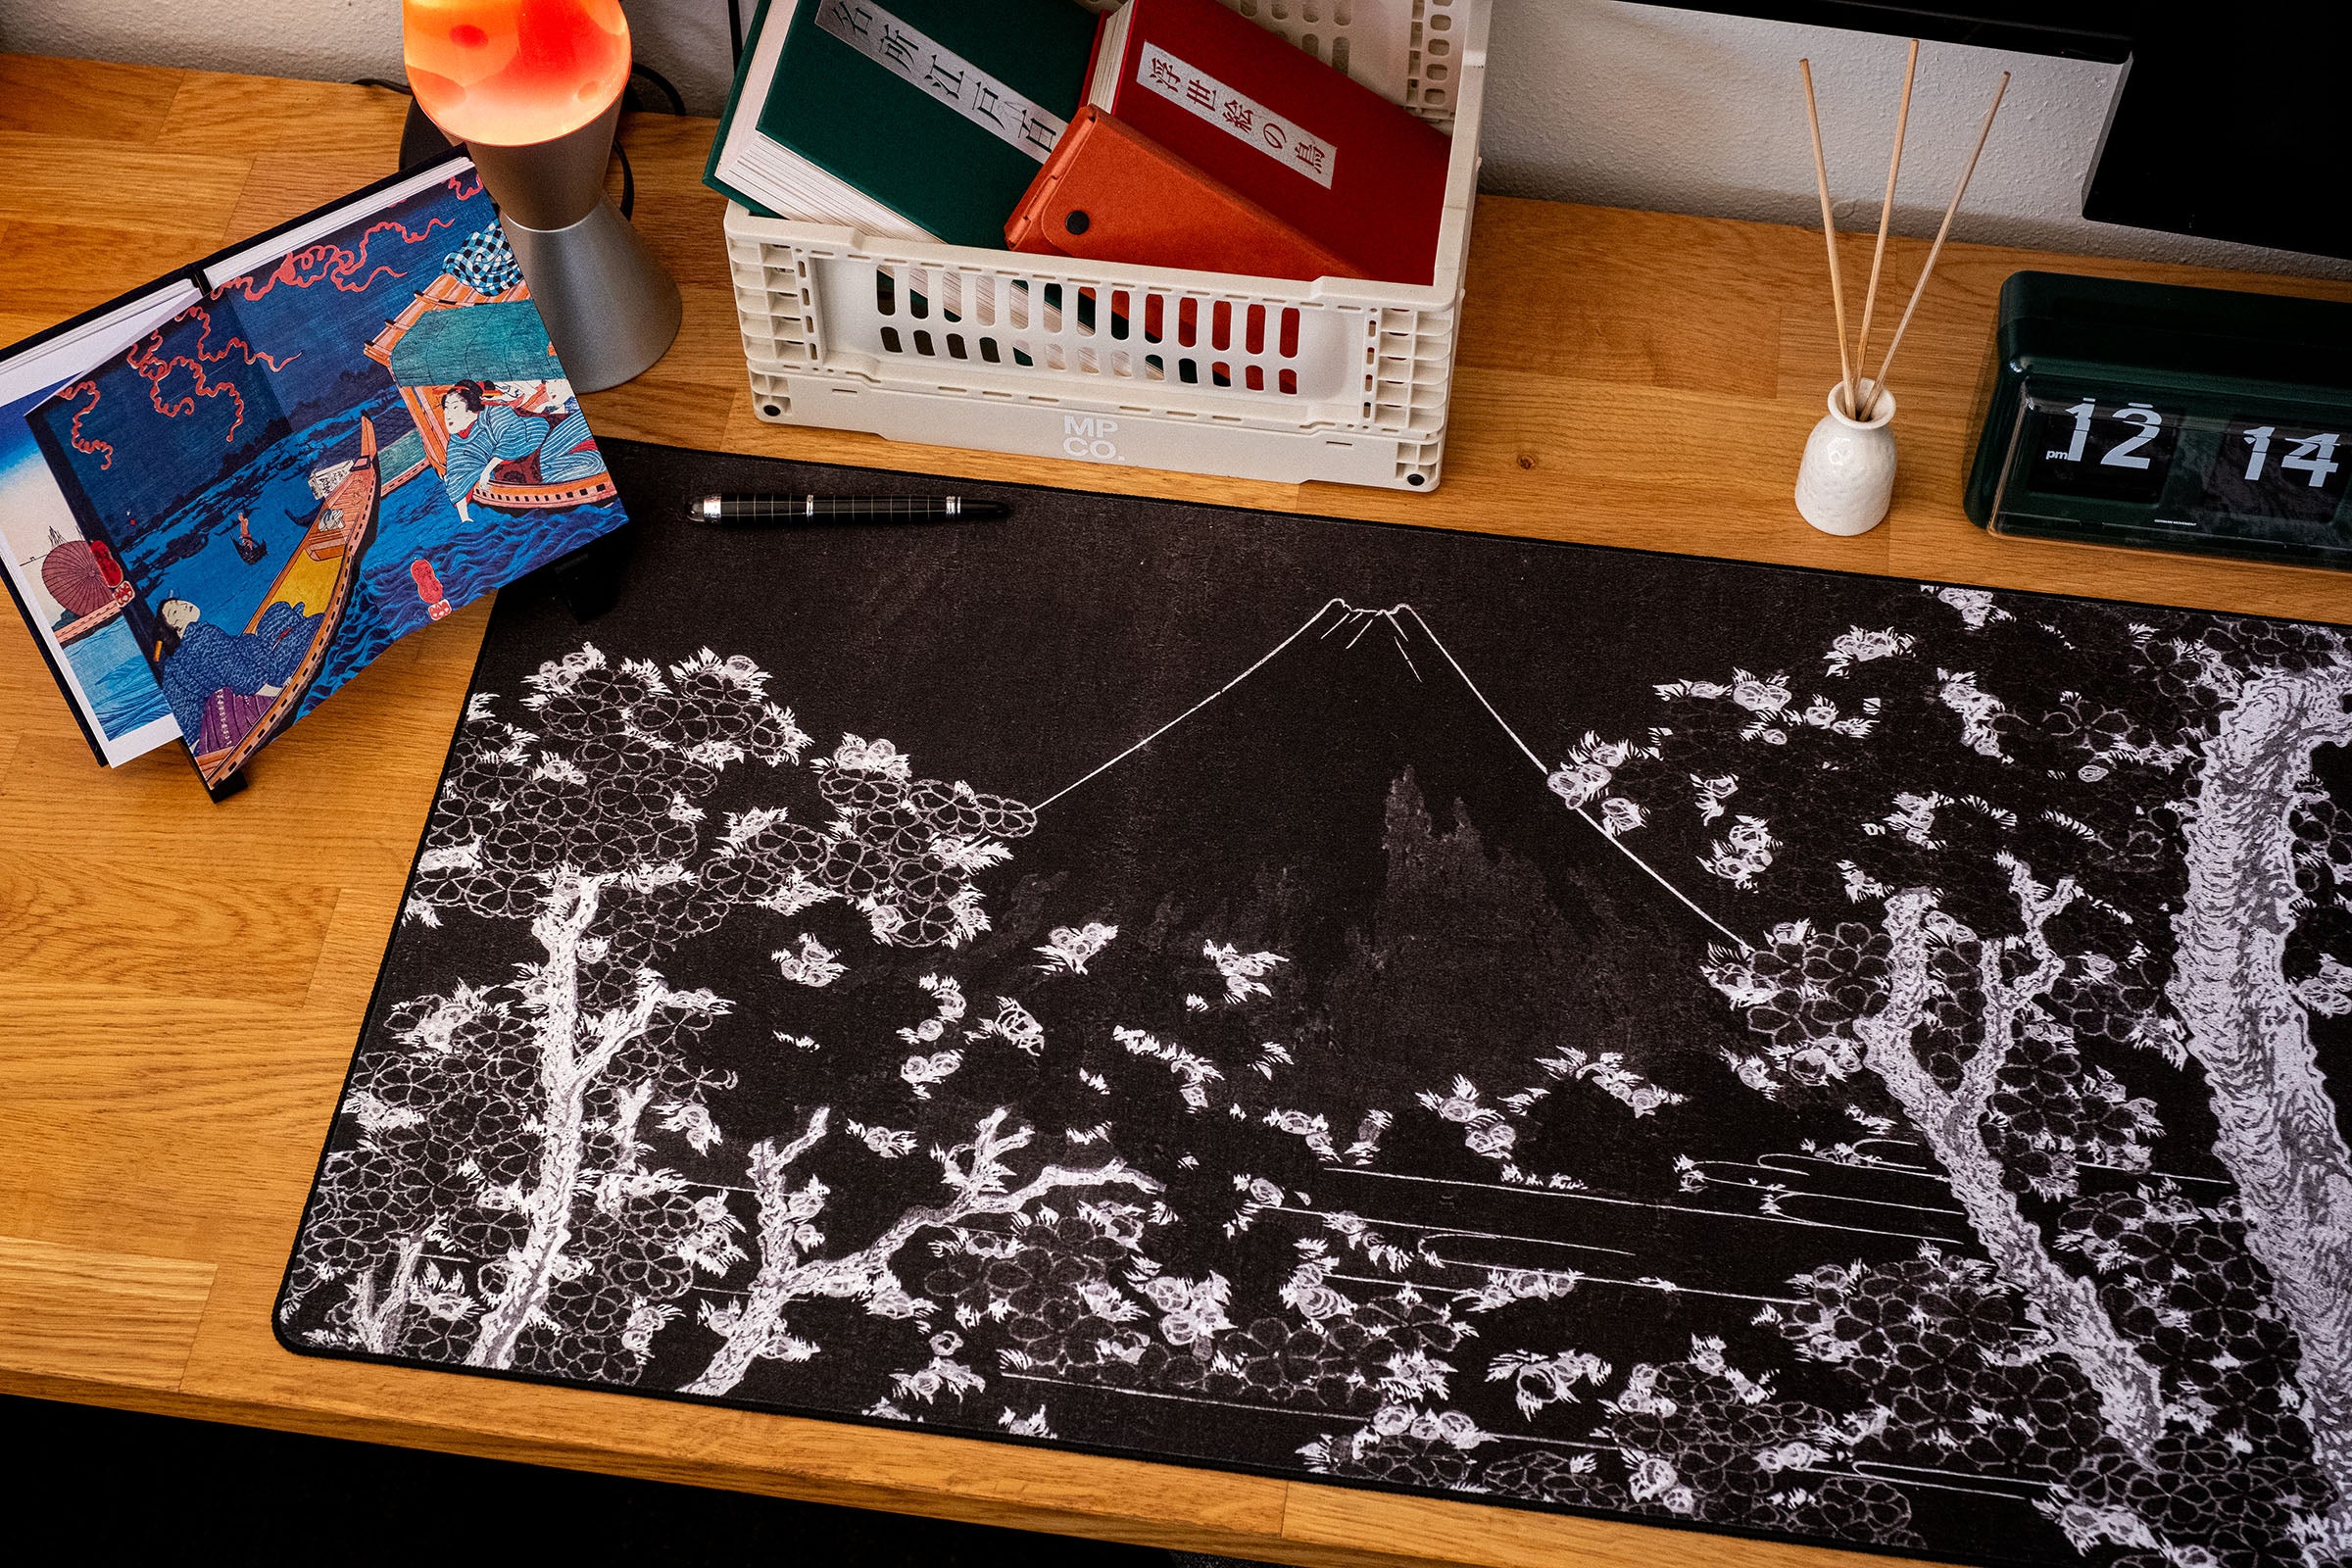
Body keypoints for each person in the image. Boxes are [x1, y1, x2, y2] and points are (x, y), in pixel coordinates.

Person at [154, 595, 319, 747]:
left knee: (279, 609)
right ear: (175, 626)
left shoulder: (177, 659)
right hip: (269, 675)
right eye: (175, 611)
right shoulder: (205, 636)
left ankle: (288, 629)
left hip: (258, 655)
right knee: (314, 621)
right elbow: (241, 677)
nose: (184, 605)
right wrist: (279, 692)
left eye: (179, 601)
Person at [439, 378, 606, 523]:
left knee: (582, 423)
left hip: (539, 445)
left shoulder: (494, 412)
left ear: (472, 406)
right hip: (527, 473)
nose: (448, 415)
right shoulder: (456, 442)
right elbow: (457, 475)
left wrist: (488, 469)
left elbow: (515, 436)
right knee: (593, 463)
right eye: (446, 408)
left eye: (455, 407)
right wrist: (464, 518)